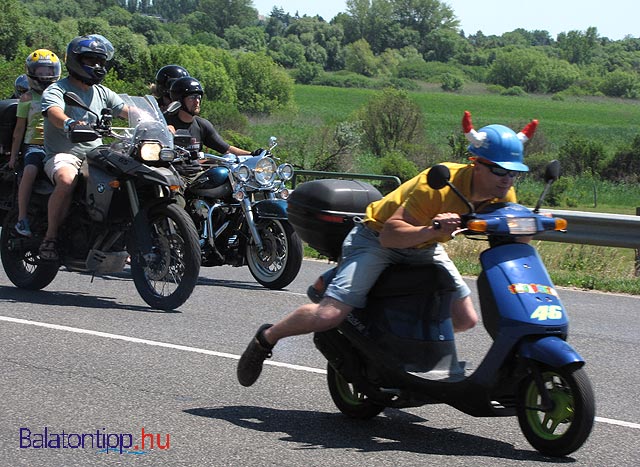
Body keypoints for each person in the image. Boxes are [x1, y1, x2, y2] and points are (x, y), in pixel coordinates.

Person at [236, 111, 539, 387]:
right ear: (477, 163)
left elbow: (511, 233)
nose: (507, 179)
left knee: (465, 319)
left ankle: (398, 355)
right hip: (375, 238)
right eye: (500, 171)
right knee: (329, 315)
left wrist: (530, 225)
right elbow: (390, 236)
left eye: (514, 173)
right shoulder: (438, 185)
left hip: (425, 247)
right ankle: (267, 338)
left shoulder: (503, 192)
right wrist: (433, 228)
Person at [39, 34, 129, 261]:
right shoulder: (57, 89)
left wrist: (155, 121)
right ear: (76, 61)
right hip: (63, 154)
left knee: (129, 176)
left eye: (100, 62)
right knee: (67, 179)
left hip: (94, 156)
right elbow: (53, 112)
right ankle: (49, 237)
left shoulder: (102, 92)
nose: (97, 67)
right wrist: (69, 122)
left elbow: (127, 110)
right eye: (91, 61)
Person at [9, 49, 62, 237]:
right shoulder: (26, 98)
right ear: (31, 72)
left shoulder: (61, 96)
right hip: (35, 145)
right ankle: (22, 218)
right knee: (30, 171)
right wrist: (14, 156)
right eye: (40, 71)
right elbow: (18, 131)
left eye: (49, 71)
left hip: (58, 145)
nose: (45, 75)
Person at [164, 76, 251, 157]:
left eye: (198, 97)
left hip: (197, 171)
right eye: (192, 98)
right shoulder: (165, 123)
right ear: (180, 101)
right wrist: (165, 131)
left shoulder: (202, 125)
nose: (197, 101)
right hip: (171, 172)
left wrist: (253, 154)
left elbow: (226, 149)